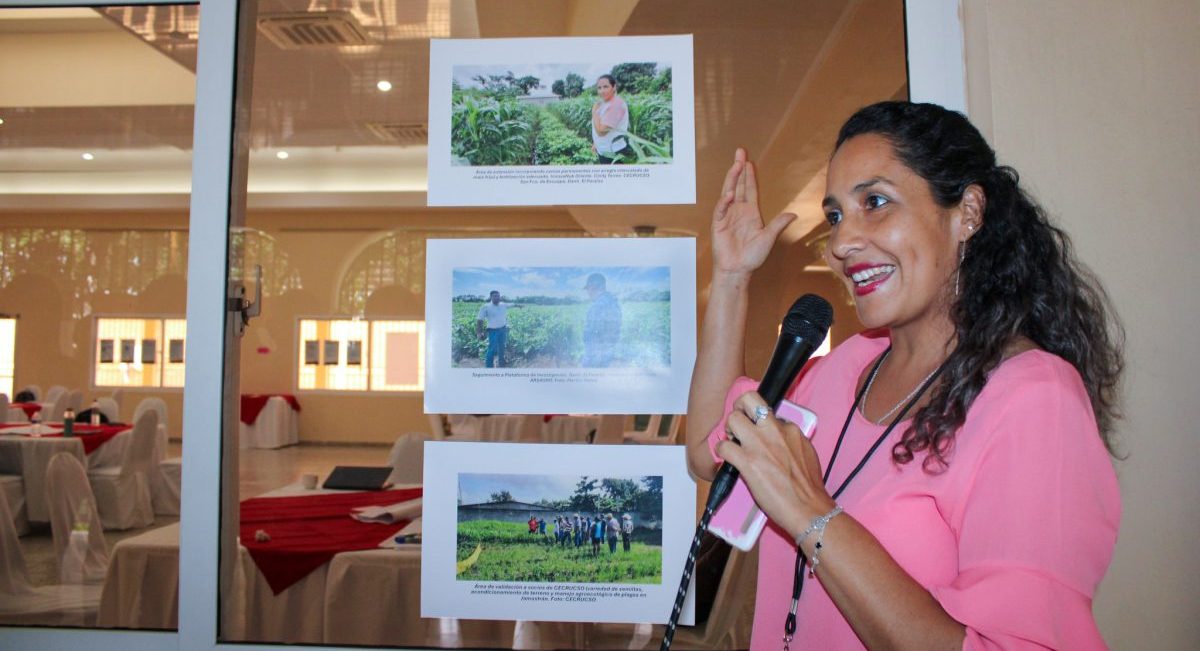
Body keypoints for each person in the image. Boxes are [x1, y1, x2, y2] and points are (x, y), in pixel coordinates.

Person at [686, 101, 1123, 649]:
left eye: (875, 202)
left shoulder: (1033, 398)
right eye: (837, 215)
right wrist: (730, 277)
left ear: (967, 212)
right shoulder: (846, 368)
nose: (842, 243)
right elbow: (709, 452)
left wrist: (809, 510)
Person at [581, 272, 621, 368]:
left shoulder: (597, 306)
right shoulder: (614, 302)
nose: (588, 292)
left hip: (596, 355)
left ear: (592, 287)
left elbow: (593, 334)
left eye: (588, 289)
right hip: (609, 351)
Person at [475, 290, 522, 368]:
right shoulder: (485, 307)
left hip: (503, 330)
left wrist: (519, 306)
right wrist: (479, 332)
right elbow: (480, 320)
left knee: (501, 347)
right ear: (491, 297)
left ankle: (501, 363)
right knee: (492, 349)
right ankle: (489, 366)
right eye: (495, 296)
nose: (497, 297)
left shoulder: (503, 305)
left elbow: (512, 304)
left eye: (498, 296)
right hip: (493, 331)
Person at [591, 74, 631, 164]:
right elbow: (598, 124)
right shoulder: (606, 103)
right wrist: (596, 143)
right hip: (605, 151)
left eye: (605, 87)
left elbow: (601, 131)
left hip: (613, 153)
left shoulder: (616, 105)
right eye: (599, 88)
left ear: (614, 87)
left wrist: (594, 111)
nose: (602, 91)